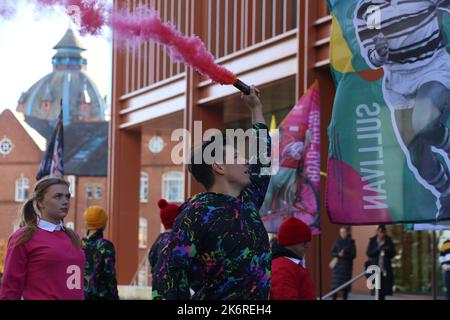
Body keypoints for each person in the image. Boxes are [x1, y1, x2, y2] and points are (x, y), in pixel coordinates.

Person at [152, 86, 272, 300]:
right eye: (236, 155)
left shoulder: (248, 202)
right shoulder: (196, 213)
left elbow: (262, 161)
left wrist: (256, 108)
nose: (246, 161)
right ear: (218, 166)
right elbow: (169, 274)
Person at [354, 0, 450, 220]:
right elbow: (371, 55)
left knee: (424, 123)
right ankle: (447, 194)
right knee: (417, 157)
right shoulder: (366, 9)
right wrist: (379, 53)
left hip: (432, 66)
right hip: (398, 82)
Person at [0, 175, 85, 300]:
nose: (66, 201)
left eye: (67, 196)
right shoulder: (24, 237)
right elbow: (11, 286)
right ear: (40, 202)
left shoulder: (73, 236)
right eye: (58, 196)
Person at [270, 217, 316, 300]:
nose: (307, 246)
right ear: (291, 241)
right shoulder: (283, 268)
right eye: (304, 242)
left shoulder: (289, 265)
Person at [82, 206, 119, 300]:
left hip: (82, 295)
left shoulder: (79, 244)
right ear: (103, 225)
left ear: (87, 223)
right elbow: (109, 275)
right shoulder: (105, 246)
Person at [148, 199, 180, 275]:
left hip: (158, 284)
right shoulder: (180, 239)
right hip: (177, 285)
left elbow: (151, 258)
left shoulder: (159, 239)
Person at [366, 225, 396, 300]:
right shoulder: (372, 240)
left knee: (384, 290)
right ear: (377, 232)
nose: (381, 234)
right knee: (377, 289)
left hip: (385, 269)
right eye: (379, 232)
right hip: (376, 269)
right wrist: (378, 249)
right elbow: (369, 253)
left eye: (382, 232)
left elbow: (393, 253)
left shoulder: (388, 240)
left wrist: (387, 250)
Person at [330, 226, 356, 300]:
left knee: (345, 288)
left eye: (344, 232)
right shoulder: (337, 241)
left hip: (346, 268)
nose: (343, 234)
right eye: (341, 232)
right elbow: (332, 252)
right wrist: (338, 254)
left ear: (347, 233)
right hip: (337, 268)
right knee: (335, 287)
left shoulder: (351, 242)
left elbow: (354, 255)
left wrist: (345, 254)